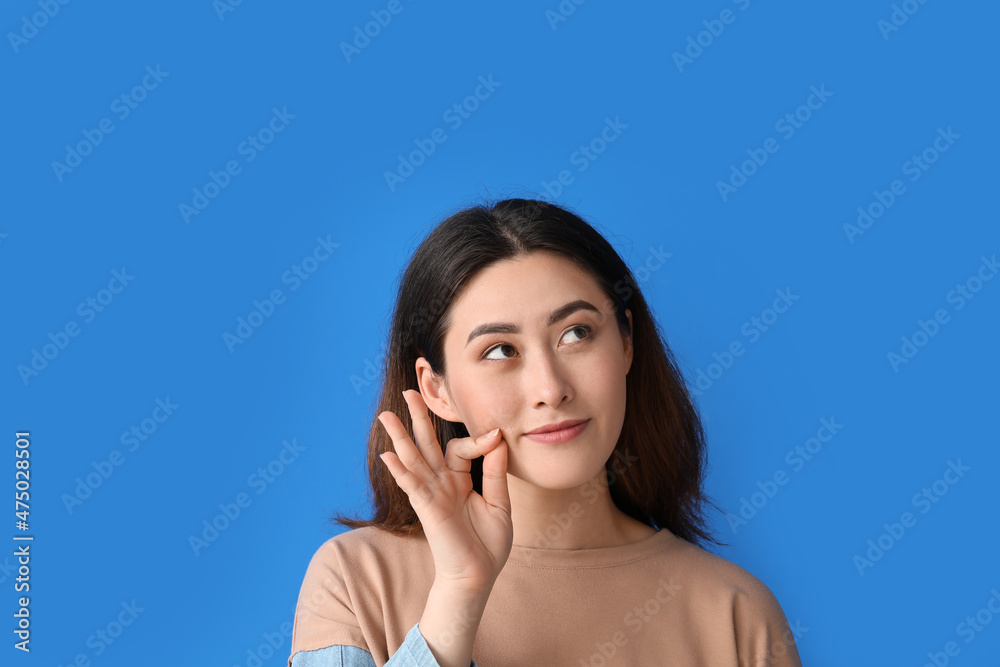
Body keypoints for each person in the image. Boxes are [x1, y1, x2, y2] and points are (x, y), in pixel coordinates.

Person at [288, 197, 802, 667]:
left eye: (576, 333)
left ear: (626, 343)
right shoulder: (356, 581)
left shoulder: (737, 616)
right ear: (437, 389)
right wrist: (459, 596)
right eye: (499, 351)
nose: (550, 389)